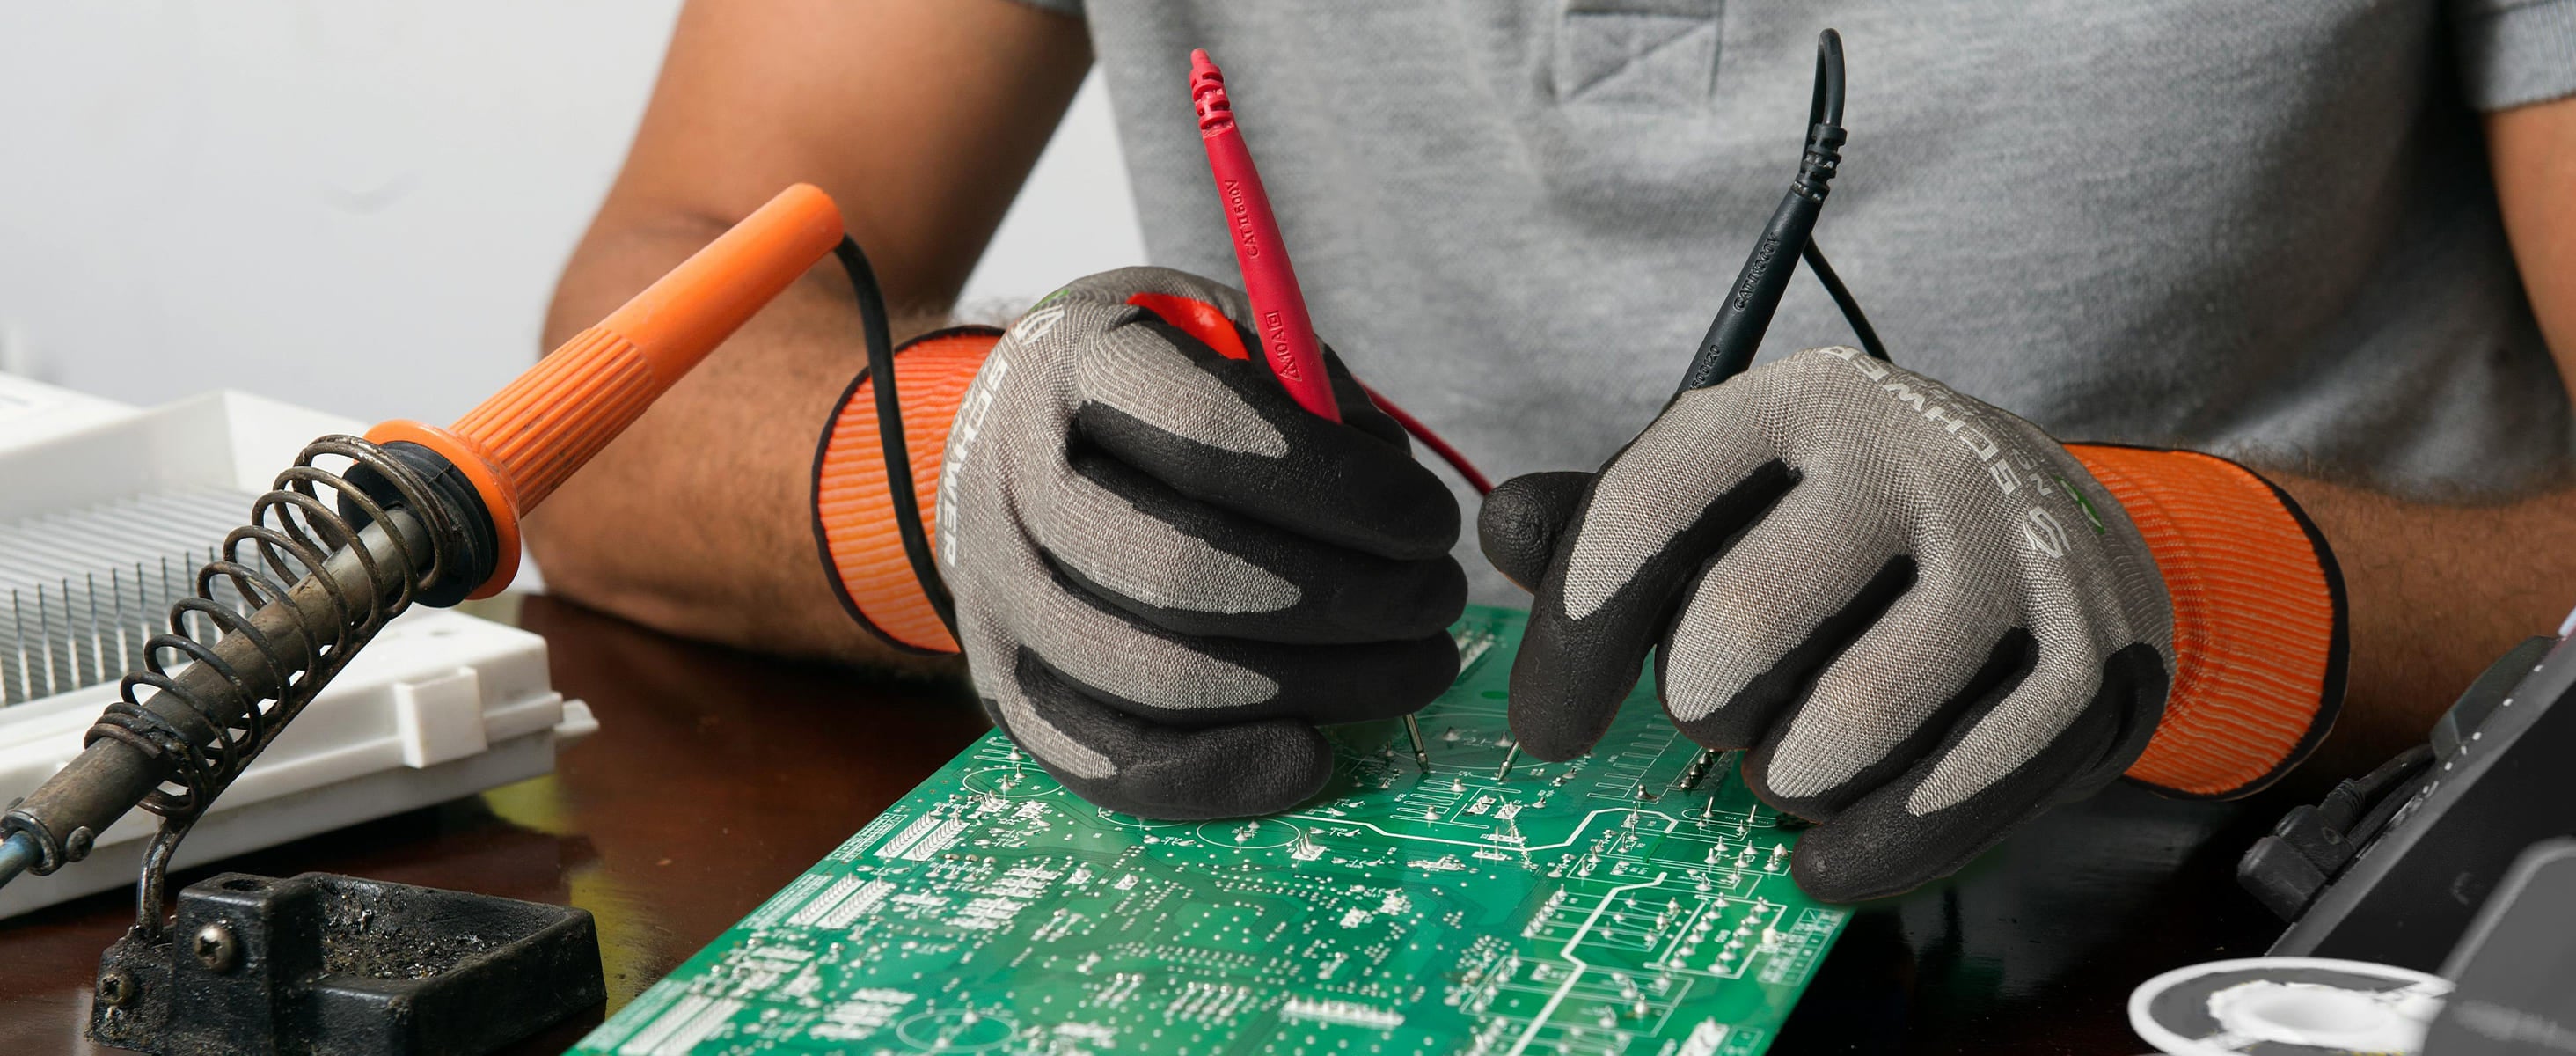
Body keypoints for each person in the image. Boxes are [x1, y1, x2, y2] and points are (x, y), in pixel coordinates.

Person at [525, 0, 2576, 900]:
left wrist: (2188, 588)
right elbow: (653, 328)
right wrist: (939, 473)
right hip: (1344, 874)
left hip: (2244, 907)